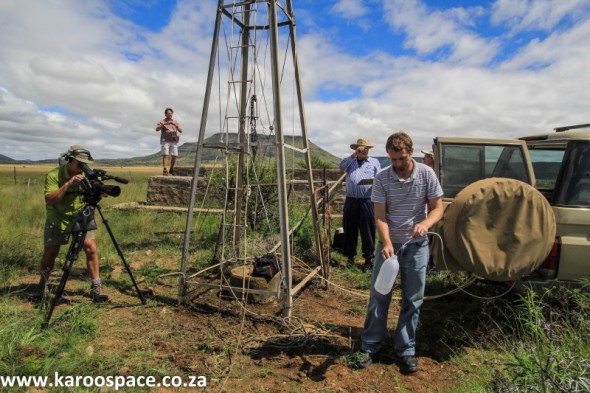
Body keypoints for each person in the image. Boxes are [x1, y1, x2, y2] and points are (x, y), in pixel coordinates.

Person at [354, 132, 443, 373]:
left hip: (416, 247)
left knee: (412, 299)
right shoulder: (382, 177)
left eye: (401, 158)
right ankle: (370, 345)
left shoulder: (426, 174)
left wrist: (425, 224)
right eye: (392, 159)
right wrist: (386, 243)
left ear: (410, 152)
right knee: (379, 295)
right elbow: (380, 217)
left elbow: (437, 209)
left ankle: (405, 349)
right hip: (389, 246)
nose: (397, 164)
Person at [33, 145, 109, 302]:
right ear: (70, 160)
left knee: (91, 248)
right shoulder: (54, 175)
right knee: (51, 252)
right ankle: (43, 286)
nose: (82, 167)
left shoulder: (88, 175)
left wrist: (100, 192)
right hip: (58, 218)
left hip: (81, 216)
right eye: (79, 163)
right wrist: (68, 184)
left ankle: (96, 286)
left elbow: (96, 194)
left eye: (85, 164)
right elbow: (50, 200)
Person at [338, 138, 382, 271]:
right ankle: (350, 257)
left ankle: (368, 259)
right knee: (349, 228)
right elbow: (340, 166)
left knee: (367, 230)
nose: (365, 150)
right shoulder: (349, 161)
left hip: (367, 200)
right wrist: (354, 155)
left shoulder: (374, 162)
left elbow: (379, 178)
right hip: (351, 200)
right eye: (362, 148)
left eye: (367, 148)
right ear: (356, 149)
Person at [156, 107, 183, 176]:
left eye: (171, 113)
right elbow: (157, 129)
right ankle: (165, 170)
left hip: (174, 140)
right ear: (165, 114)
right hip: (165, 140)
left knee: (175, 155)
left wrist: (175, 125)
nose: (170, 115)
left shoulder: (175, 122)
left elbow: (181, 130)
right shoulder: (162, 121)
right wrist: (164, 124)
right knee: (165, 154)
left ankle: (171, 168)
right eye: (168, 113)